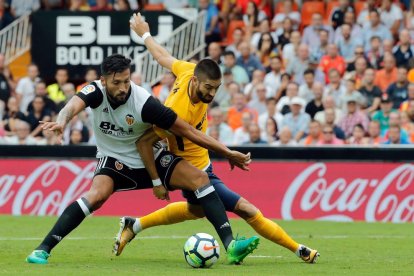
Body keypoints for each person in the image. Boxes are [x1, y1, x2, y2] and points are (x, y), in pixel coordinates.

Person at [113, 12, 319, 265]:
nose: (212, 94)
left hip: (202, 164)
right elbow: (191, 135)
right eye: (208, 88)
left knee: (196, 210)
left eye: (216, 88)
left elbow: (162, 56)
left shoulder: (189, 70)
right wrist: (227, 152)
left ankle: (135, 224)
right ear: (197, 81)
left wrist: (144, 33)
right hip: (188, 169)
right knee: (247, 209)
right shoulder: (177, 110)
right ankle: (293, 249)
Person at [26, 54, 257, 265]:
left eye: (126, 81)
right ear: (103, 81)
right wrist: (62, 121)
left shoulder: (144, 103)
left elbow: (189, 131)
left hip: (151, 158)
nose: (123, 87)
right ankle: (43, 249)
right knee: (95, 197)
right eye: (117, 82)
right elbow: (72, 106)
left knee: (200, 178)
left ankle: (231, 246)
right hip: (114, 160)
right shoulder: (94, 91)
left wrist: (226, 152)